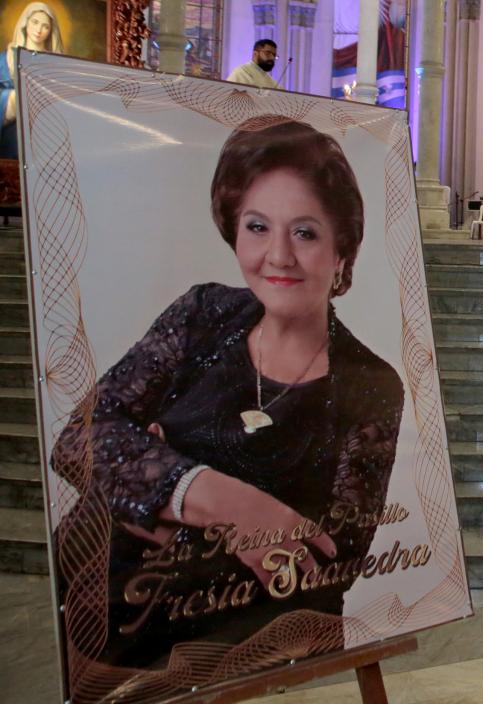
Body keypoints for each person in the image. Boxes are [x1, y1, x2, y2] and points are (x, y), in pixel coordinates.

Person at [51, 117, 405, 667]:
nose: (278, 256)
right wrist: (227, 502)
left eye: (305, 232)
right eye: (257, 226)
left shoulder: (371, 383)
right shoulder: (203, 313)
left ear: (343, 252)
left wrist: (153, 482)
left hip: (224, 646)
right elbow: (79, 437)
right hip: (94, 616)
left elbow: (330, 564)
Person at [1, 2, 64, 159]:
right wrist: (14, 99)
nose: (39, 30)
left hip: (45, 136)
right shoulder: (5, 59)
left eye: (45, 26)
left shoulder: (55, 64)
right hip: (12, 139)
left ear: (50, 31)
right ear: (25, 23)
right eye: (35, 22)